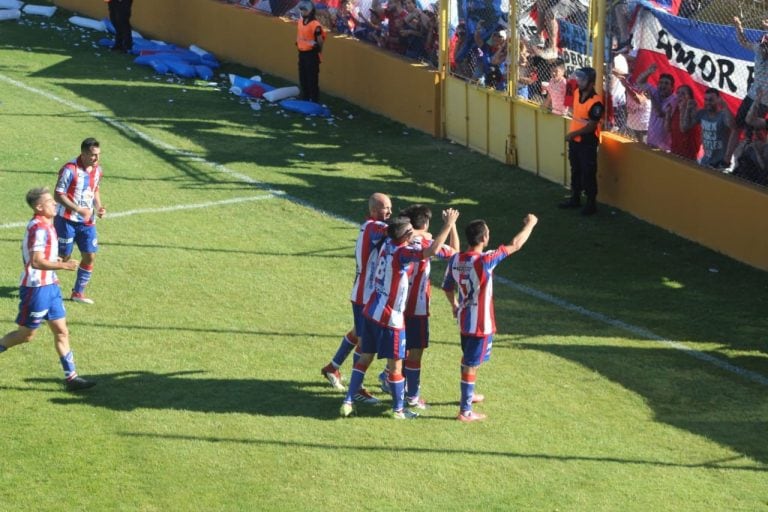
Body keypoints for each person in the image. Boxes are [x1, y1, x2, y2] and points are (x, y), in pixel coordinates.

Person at [341, 208, 460, 419]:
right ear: (406, 235)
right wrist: (449, 224)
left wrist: (419, 233)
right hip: (392, 317)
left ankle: (348, 400)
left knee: (364, 357)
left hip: (371, 311)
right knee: (396, 365)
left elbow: (412, 237)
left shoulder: (387, 243)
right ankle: (399, 409)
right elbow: (435, 251)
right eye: (409, 232)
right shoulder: (404, 252)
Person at [442, 214, 538, 422]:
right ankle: (465, 411)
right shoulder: (486, 260)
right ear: (484, 238)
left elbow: (448, 287)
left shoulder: (456, 259)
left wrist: (455, 306)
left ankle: (469, 394)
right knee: (470, 363)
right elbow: (516, 244)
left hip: (465, 319)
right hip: (480, 324)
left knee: (469, 359)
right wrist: (530, 224)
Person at [0, 188, 96, 391]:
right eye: (51, 202)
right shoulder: (39, 228)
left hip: (51, 287)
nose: (55, 204)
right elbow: (35, 262)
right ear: (39, 207)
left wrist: (55, 261)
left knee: (61, 331)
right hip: (36, 289)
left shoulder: (46, 224)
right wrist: (64, 265)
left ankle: (72, 378)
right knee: (26, 335)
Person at [377, 204, 459, 409]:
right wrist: (451, 225)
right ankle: (412, 396)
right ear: (426, 222)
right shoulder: (427, 241)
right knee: (415, 352)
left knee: (400, 350)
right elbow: (455, 252)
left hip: (394, 304)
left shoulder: (396, 240)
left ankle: (390, 378)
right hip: (416, 305)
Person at [319, 193, 392, 404]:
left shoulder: (371, 226)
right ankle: (357, 388)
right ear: (373, 210)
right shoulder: (373, 227)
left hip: (365, 292)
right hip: (366, 295)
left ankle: (332, 368)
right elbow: (395, 231)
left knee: (358, 333)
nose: (388, 212)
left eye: (389, 207)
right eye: (384, 208)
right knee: (365, 342)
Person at [54, 138, 106, 305]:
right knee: (63, 256)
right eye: (92, 155)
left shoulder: (98, 170)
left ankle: (78, 293)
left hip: (87, 222)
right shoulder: (69, 169)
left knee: (90, 256)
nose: (96, 159)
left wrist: (98, 207)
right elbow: (58, 194)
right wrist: (77, 209)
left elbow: (95, 189)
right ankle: (43, 282)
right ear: (83, 154)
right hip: (66, 220)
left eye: (98, 155)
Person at [558, 66, 604, 215]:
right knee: (576, 170)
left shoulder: (596, 102)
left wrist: (572, 134)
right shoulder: (577, 92)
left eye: (583, 79)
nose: (579, 81)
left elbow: (591, 127)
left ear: (591, 83)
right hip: (575, 141)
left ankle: (591, 204)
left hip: (587, 142)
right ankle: (575, 198)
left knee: (588, 173)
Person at [726, 17, 768, 166]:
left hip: (764, 101)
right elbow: (743, 42)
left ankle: (744, 164)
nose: (763, 47)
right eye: (764, 43)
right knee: (738, 125)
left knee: (751, 133)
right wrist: (738, 26)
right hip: (752, 95)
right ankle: (727, 160)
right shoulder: (758, 48)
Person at [681, 88, 734, 169]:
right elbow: (685, 128)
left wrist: (725, 106)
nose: (708, 102)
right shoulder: (702, 113)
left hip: (720, 165)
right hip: (705, 161)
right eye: (706, 100)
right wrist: (688, 109)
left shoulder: (723, 115)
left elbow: (732, 125)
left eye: (711, 100)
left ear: (718, 100)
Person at [636, 64, 676, 152]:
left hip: (665, 147)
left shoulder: (674, 100)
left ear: (672, 87)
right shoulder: (655, 92)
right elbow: (639, 82)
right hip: (651, 140)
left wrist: (651, 98)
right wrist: (648, 72)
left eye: (666, 83)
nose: (663, 85)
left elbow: (660, 113)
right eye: (661, 83)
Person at [296, 0, 326, 103]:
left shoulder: (315, 25)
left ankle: (314, 99)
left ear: (310, 11)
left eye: (304, 10)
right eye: (301, 10)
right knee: (303, 76)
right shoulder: (300, 21)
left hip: (311, 54)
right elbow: (300, 34)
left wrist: (318, 50)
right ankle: (305, 96)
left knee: (312, 78)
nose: (302, 12)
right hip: (302, 53)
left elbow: (320, 40)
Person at [665, 84, 701, 161]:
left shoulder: (692, 110)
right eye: (678, 93)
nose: (679, 95)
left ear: (690, 97)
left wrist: (682, 110)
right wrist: (668, 114)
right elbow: (668, 129)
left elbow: (683, 129)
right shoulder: (676, 109)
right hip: (675, 151)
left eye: (683, 93)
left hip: (689, 156)